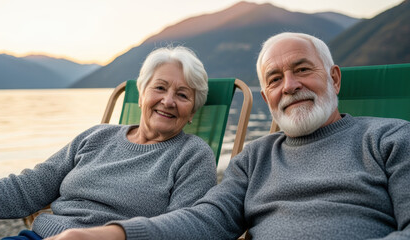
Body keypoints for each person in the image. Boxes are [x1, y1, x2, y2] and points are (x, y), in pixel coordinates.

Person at [46, 32, 410, 240]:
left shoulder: (389, 138)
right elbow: (206, 219)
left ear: (334, 78)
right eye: (274, 79)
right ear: (266, 97)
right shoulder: (255, 158)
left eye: (302, 70)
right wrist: (112, 235)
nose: (291, 86)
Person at [0, 46, 217, 239]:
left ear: (192, 111)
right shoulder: (97, 136)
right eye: (160, 88)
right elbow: (28, 187)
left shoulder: (193, 155)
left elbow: (184, 228)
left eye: (182, 95)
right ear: (141, 96)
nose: (168, 101)